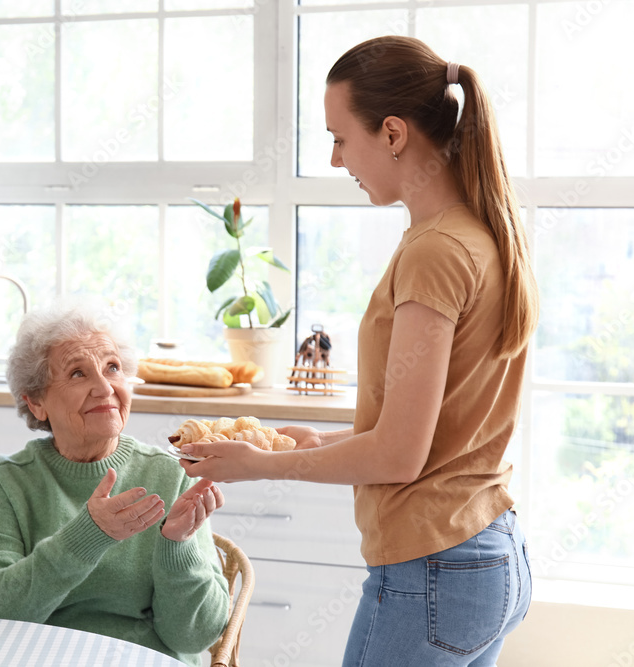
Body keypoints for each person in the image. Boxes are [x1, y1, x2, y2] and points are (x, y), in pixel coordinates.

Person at [179, 35, 539, 666]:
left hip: (432, 570)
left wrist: (258, 466)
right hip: (486, 551)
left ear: (394, 134)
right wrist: (320, 444)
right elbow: (436, 425)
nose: (336, 157)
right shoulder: (480, 233)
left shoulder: (435, 251)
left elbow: (400, 455)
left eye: (341, 137)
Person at [0, 298, 230, 667]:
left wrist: (176, 545)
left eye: (113, 368)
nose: (104, 388)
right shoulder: (3, 484)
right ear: (37, 402)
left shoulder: (171, 476)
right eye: (77, 373)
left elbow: (196, 635)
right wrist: (88, 535)